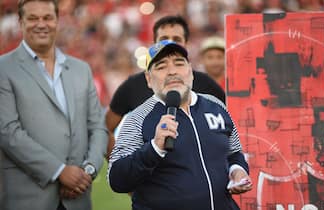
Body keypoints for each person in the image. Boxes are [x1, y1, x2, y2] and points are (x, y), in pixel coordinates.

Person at [107, 40, 252, 210]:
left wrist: (237, 170)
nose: (172, 71)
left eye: (179, 63)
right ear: (148, 79)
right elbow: (117, 179)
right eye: (161, 67)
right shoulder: (138, 118)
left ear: (191, 71)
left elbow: (234, 152)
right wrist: (154, 148)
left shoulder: (216, 105)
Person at [0, 1, 108, 210]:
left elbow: (97, 127)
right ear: (20, 22)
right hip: (27, 200)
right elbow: (8, 132)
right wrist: (60, 171)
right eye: (33, 18)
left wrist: (87, 171)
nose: (41, 24)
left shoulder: (81, 69)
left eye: (47, 17)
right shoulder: (3, 69)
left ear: (57, 21)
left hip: (77, 199)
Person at [105, 15, 226, 157]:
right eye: (164, 39)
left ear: (186, 44)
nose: (169, 43)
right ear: (154, 43)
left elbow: (232, 127)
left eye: (176, 39)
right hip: (150, 173)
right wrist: (118, 163)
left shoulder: (206, 84)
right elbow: (105, 128)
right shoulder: (133, 85)